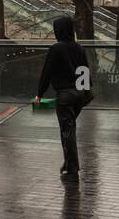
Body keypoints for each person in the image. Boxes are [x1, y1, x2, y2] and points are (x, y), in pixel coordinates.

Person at [32, 15, 91, 178]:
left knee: (67, 131)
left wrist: (40, 93)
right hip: (79, 94)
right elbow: (85, 71)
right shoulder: (79, 48)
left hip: (65, 95)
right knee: (70, 128)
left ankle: (72, 169)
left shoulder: (56, 48)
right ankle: (68, 163)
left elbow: (47, 72)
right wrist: (85, 93)